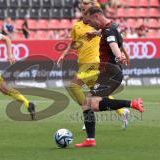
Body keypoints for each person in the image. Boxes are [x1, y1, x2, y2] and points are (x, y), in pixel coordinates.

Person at [75, 6, 143, 148]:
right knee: (89, 104)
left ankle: (131, 103)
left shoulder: (108, 30)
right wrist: (95, 33)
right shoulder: (111, 26)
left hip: (110, 73)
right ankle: (90, 140)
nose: (90, 25)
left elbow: (113, 44)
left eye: (91, 22)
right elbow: (108, 34)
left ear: (96, 17)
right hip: (109, 73)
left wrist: (119, 56)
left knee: (89, 104)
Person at [57, 0, 130, 130]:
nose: (84, 12)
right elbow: (73, 43)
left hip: (95, 62)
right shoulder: (76, 26)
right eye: (82, 10)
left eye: (86, 9)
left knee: (74, 85)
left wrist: (123, 54)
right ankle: (122, 112)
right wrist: (64, 54)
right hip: (83, 63)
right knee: (98, 94)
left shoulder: (97, 24)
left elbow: (113, 39)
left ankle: (88, 113)